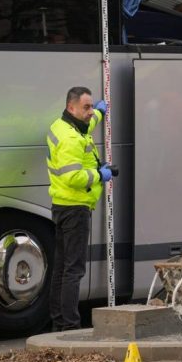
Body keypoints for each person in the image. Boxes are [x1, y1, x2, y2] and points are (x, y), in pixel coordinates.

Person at [46, 86, 116, 331]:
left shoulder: (63, 125)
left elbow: (88, 123)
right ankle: (70, 326)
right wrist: (100, 174)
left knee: (61, 268)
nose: (89, 112)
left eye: (90, 106)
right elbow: (73, 177)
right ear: (71, 107)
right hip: (75, 208)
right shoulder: (70, 139)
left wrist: (99, 113)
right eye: (85, 107)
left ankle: (58, 321)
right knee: (73, 270)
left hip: (62, 205)